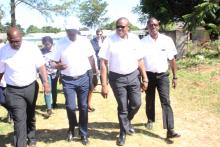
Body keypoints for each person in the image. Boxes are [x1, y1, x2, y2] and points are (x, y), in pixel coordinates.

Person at [99, 17, 148, 146]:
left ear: (128, 28)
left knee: (136, 103)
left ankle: (126, 122)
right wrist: (104, 84)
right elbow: (103, 63)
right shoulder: (109, 40)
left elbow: (140, 60)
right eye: (118, 26)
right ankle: (122, 133)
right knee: (123, 107)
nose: (119, 29)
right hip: (117, 78)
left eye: (122, 27)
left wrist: (145, 78)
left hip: (133, 76)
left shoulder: (134, 39)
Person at [0, 27, 50, 147]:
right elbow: (0, 71)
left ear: (21, 38)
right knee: (19, 120)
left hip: (31, 87)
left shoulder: (31, 48)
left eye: (17, 41)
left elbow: (41, 66)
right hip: (13, 90)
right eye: (12, 41)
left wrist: (46, 83)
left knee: (30, 114)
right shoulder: (3, 51)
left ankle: (31, 136)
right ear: (8, 39)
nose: (15, 44)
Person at [52, 17, 97, 145]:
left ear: (77, 30)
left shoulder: (84, 41)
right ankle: (72, 128)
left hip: (83, 78)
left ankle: (83, 133)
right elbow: (53, 62)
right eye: (69, 31)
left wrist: (94, 75)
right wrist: (57, 66)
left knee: (83, 107)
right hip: (68, 80)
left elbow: (91, 58)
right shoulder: (60, 43)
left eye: (74, 30)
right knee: (70, 107)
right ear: (66, 30)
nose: (72, 33)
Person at [141, 17, 181, 139]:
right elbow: (140, 61)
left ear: (159, 25)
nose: (153, 27)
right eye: (150, 25)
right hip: (149, 76)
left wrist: (175, 77)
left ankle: (170, 129)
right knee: (150, 99)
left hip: (163, 75)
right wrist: (142, 79)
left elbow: (172, 59)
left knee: (166, 101)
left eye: (155, 25)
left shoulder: (167, 40)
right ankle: (150, 119)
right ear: (147, 27)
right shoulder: (142, 42)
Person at [40, 36, 59, 115]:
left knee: (54, 89)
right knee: (47, 88)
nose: (47, 46)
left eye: (48, 44)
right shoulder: (40, 52)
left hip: (55, 72)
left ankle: (54, 103)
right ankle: (49, 108)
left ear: (52, 43)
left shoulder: (56, 51)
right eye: (45, 44)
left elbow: (59, 61)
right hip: (45, 72)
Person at [88, 29, 105, 112]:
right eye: (98, 34)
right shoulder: (92, 42)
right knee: (95, 76)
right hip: (95, 60)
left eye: (100, 34)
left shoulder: (105, 40)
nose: (99, 35)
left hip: (103, 60)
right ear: (96, 34)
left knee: (103, 74)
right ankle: (93, 86)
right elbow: (91, 54)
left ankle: (103, 86)